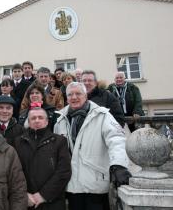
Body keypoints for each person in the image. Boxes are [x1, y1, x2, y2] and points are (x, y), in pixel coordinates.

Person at [54, 82, 131, 210]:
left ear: (86, 95)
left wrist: (118, 165)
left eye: (78, 93)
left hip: (96, 184)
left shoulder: (102, 115)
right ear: (66, 98)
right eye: (70, 94)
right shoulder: (60, 120)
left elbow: (116, 139)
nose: (74, 97)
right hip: (72, 186)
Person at [11, 107, 71, 210]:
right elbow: (14, 172)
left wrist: (43, 195)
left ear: (47, 121)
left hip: (53, 201)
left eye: (40, 117)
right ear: (28, 122)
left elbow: (63, 171)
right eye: (33, 118)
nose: (37, 120)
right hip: (26, 201)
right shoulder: (18, 142)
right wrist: (24, 194)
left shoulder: (59, 141)